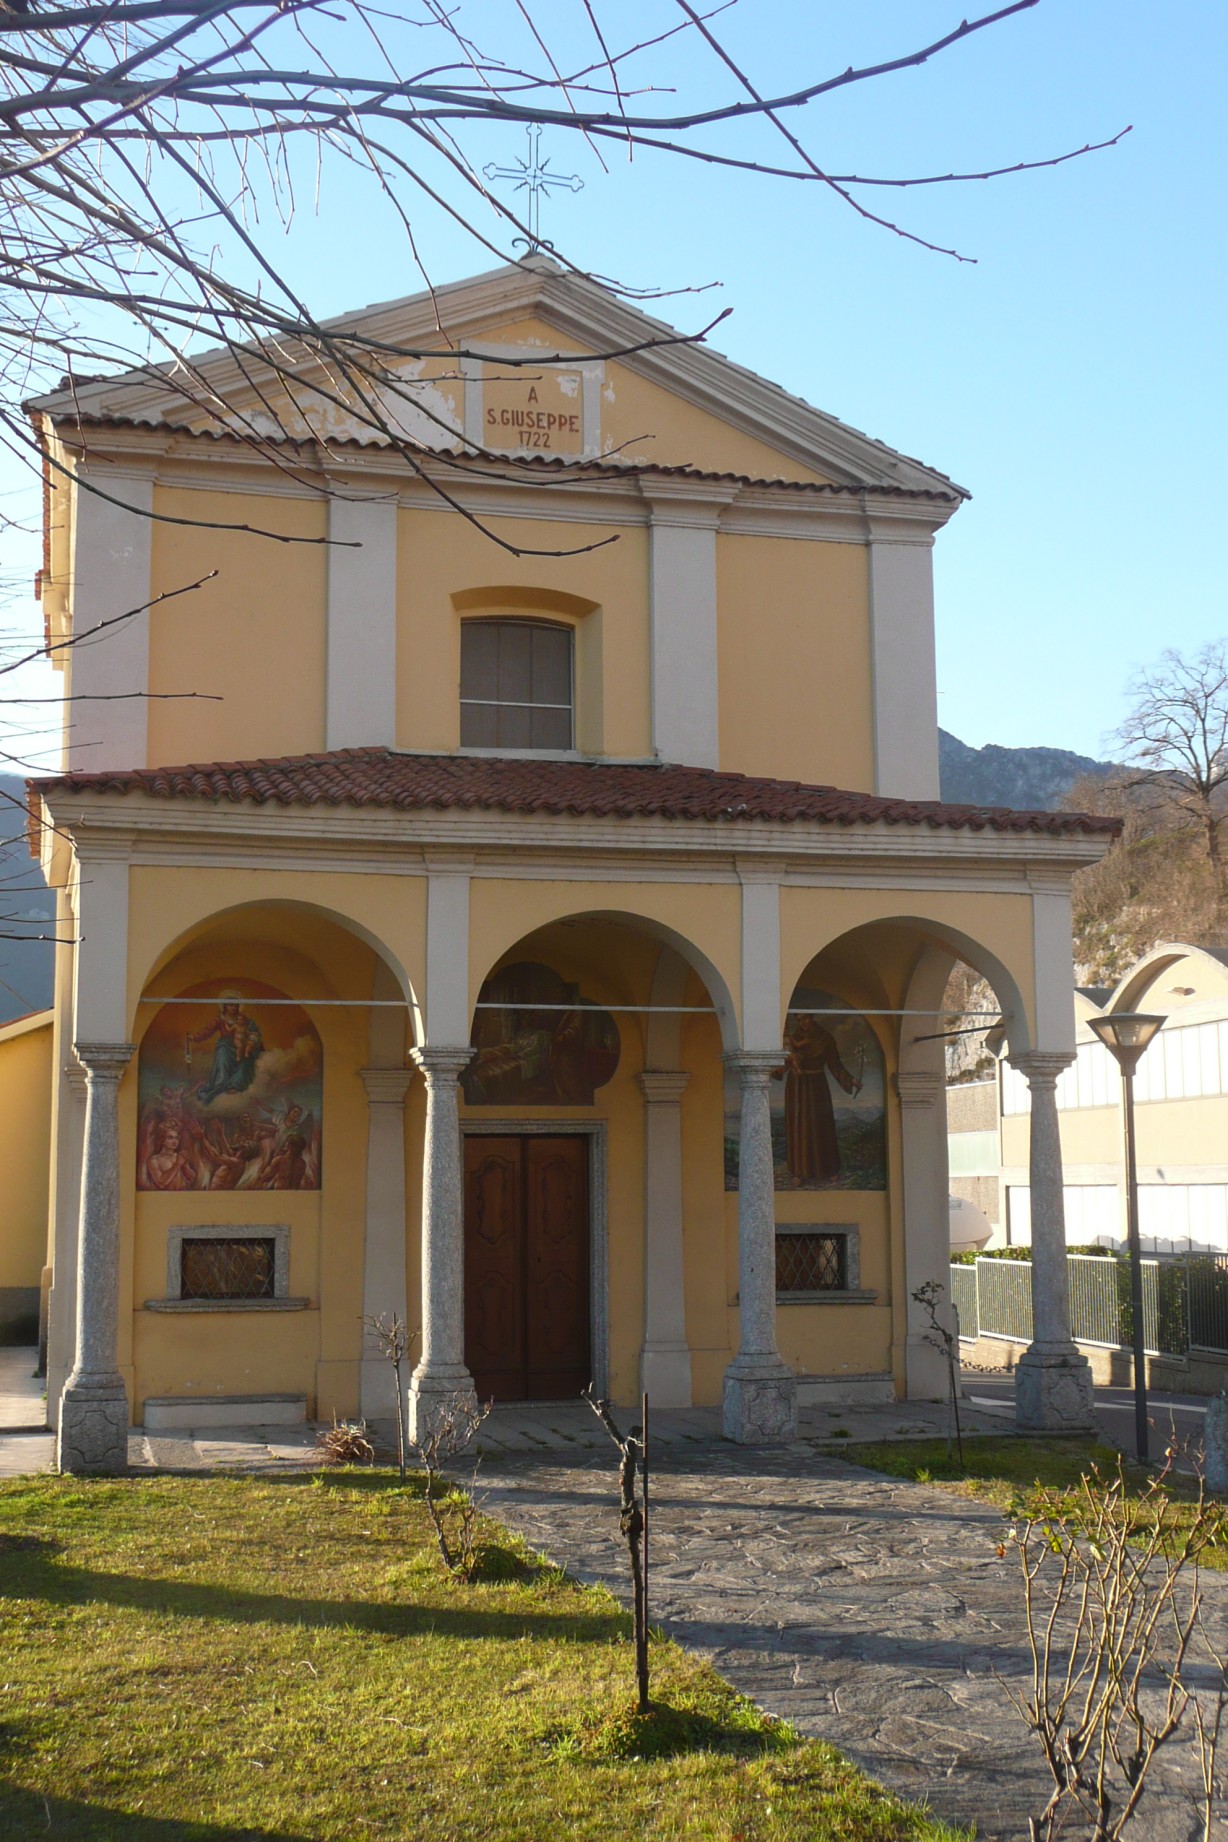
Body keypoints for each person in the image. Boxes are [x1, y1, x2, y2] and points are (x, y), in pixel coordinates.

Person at [781, 1013, 861, 1185]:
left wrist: (851, 1079)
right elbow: (784, 1060)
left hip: (817, 1087)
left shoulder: (825, 1038)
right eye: (800, 1019)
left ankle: (829, 1169)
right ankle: (799, 1172)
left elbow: (835, 1064)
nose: (804, 1022)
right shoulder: (793, 1039)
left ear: (812, 1018)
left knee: (821, 1125)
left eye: (806, 1018)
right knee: (799, 1128)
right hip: (797, 1087)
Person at [186, 992, 264, 1105]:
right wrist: (194, 1038)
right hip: (225, 1046)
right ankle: (220, 1083)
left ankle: (235, 1085)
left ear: (238, 1007)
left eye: (235, 1005)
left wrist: (252, 1040)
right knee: (222, 1053)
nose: (232, 1007)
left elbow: (254, 1032)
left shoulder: (244, 1020)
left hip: (242, 1047)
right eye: (229, 1005)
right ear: (225, 1006)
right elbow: (207, 1031)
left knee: (247, 1060)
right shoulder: (220, 1019)